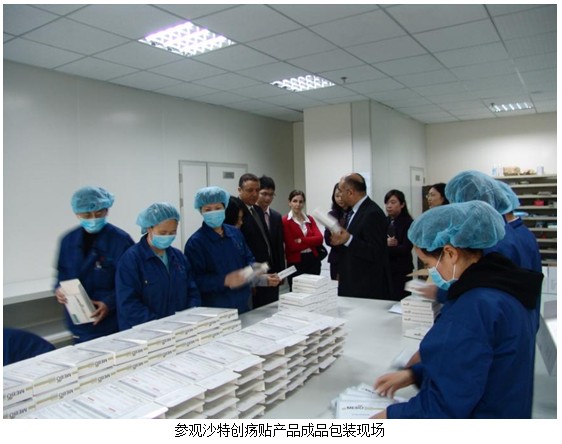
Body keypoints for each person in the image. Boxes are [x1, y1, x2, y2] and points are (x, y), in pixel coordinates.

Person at [372, 201, 543, 419]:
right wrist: (415, 374)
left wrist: (386, 419)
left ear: (451, 253)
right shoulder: (505, 284)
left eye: (428, 264)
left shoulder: (474, 308)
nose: (431, 272)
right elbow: (472, 364)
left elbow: (442, 408)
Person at [55, 186, 134, 343]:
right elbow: (62, 273)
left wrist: (109, 303)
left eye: (99, 213)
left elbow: (131, 281)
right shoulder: (68, 240)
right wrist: (59, 290)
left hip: (113, 322)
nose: (93, 218)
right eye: (87, 214)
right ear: (77, 213)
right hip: (79, 322)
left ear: (107, 211)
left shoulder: (120, 240)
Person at [185, 187, 279, 314]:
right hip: (216, 310)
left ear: (224, 208)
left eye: (218, 208)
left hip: (243, 304)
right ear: (201, 211)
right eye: (208, 209)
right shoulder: (195, 243)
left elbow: (248, 258)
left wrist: (254, 270)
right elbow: (195, 280)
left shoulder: (234, 233)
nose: (213, 212)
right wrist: (224, 281)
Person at [115, 202, 200, 330]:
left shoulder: (178, 257)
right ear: (149, 228)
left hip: (179, 329)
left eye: (172, 232)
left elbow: (192, 291)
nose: (168, 237)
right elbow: (129, 304)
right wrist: (160, 326)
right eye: (163, 232)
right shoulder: (132, 260)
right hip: (144, 332)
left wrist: (188, 316)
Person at [329, 173, 392, 299]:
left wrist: (348, 240)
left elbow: (375, 252)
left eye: (341, 191)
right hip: (351, 281)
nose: (339, 195)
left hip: (365, 286)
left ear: (350, 192)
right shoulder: (353, 211)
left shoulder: (372, 213)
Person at [236, 173, 281, 308]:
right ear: (239, 190)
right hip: (252, 273)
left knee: (271, 308)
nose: (254, 194)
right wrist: (253, 279)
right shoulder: (236, 211)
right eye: (250, 190)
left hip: (267, 269)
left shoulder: (257, 210)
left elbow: (267, 242)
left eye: (257, 190)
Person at [282, 190, 324, 289]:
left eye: (301, 202)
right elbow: (292, 246)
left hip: (313, 260)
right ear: (289, 202)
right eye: (295, 201)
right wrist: (311, 241)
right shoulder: (285, 221)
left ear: (304, 203)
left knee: (314, 291)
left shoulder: (309, 219)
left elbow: (320, 239)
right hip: (295, 262)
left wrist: (301, 240)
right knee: (297, 291)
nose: (298, 204)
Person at [255, 175, 286, 307]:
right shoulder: (250, 215)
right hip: (257, 271)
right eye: (264, 194)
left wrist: (281, 272)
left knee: (272, 306)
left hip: (273, 271)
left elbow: (279, 247)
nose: (267, 198)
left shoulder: (276, 216)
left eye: (271, 194)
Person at [384, 189, 414, 301]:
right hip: (386, 269)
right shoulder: (384, 221)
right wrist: (386, 245)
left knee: (401, 301)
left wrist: (386, 248)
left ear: (402, 204)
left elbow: (406, 248)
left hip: (401, 270)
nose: (389, 206)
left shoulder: (409, 223)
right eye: (387, 203)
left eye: (393, 202)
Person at [324, 183, 349, 280]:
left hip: (351, 258)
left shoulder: (354, 213)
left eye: (341, 195)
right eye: (337, 196)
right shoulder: (332, 214)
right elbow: (327, 239)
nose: (339, 199)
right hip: (336, 258)